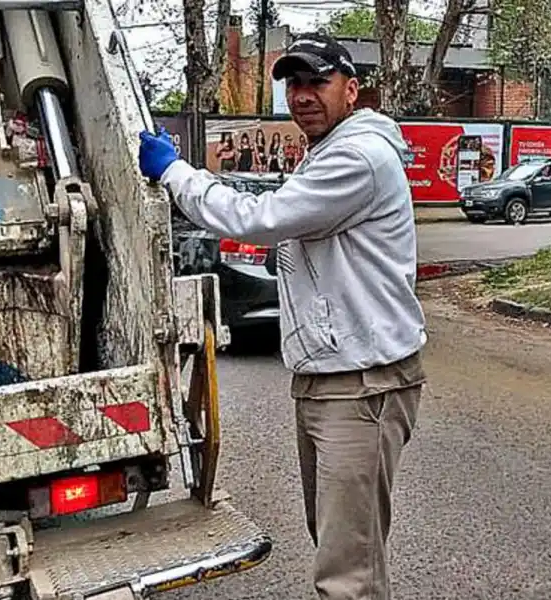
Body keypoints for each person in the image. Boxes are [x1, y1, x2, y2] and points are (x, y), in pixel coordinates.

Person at [138, 32, 427, 600]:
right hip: (333, 379)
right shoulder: (330, 151)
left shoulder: (357, 156)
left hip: (360, 387)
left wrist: (176, 174)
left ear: (352, 88)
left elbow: (260, 217)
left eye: (317, 81)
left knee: (349, 571)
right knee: (343, 545)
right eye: (293, 83)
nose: (302, 95)